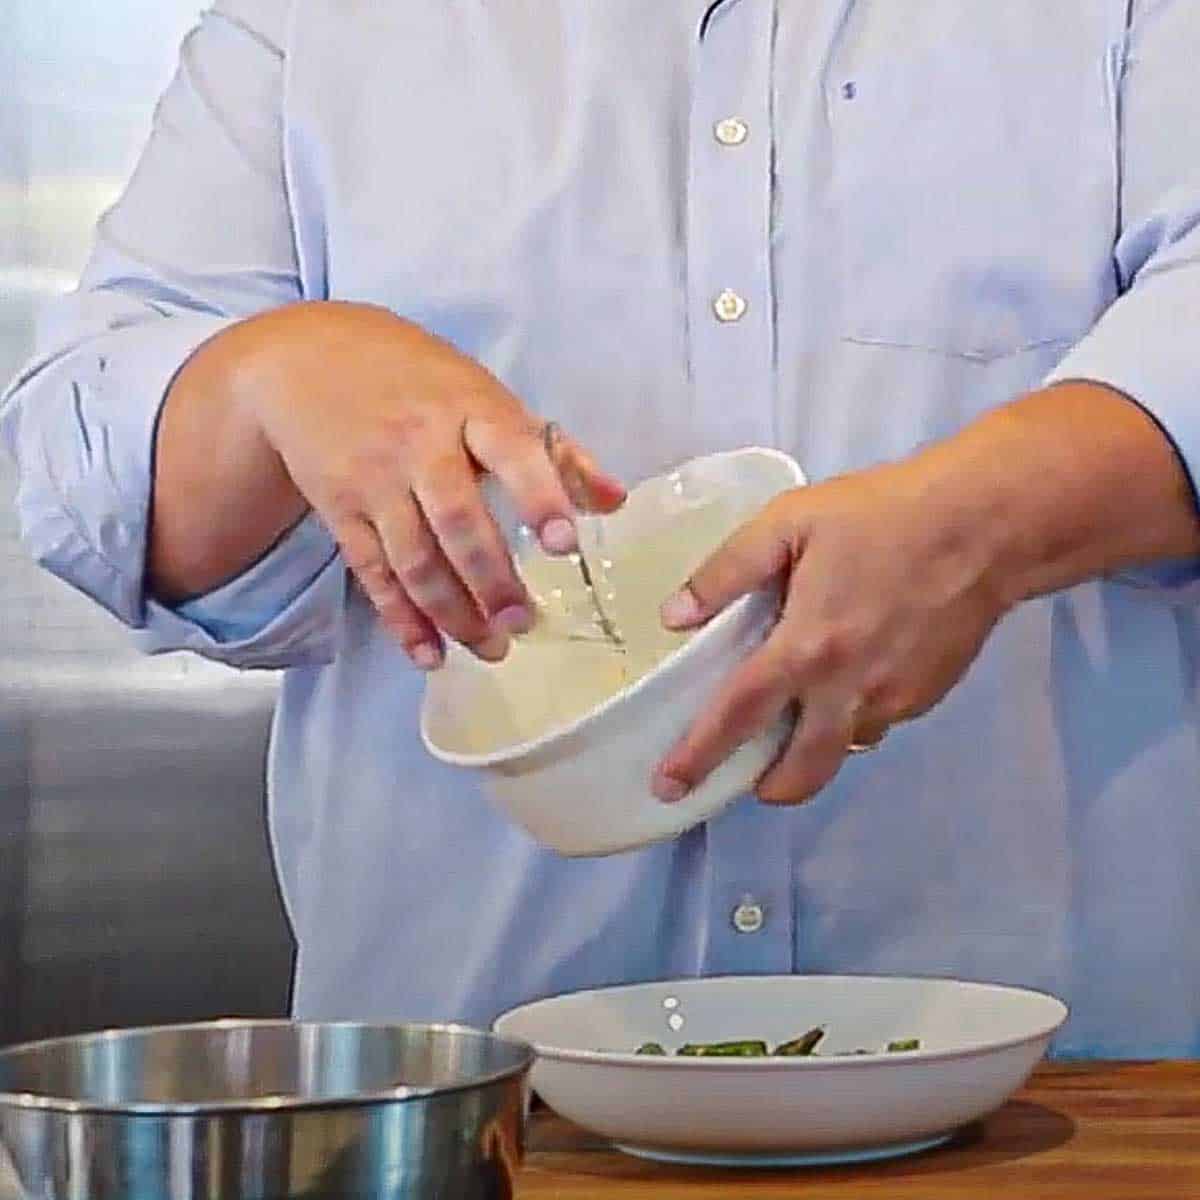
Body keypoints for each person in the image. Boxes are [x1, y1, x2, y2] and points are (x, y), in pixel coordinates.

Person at [4, 0, 1200, 1058]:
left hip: (1075, 1105)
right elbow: (88, 478)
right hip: (475, 1106)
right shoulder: (316, 21)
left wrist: (983, 527)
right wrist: (275, 372)